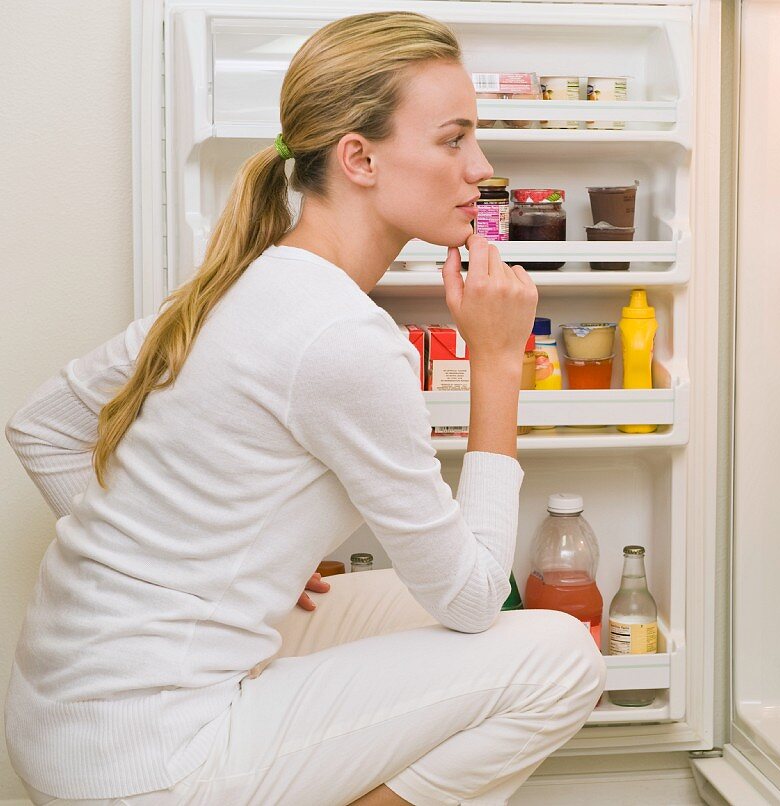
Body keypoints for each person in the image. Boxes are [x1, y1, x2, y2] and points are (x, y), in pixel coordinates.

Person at [4, 12, 605, 805]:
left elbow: (42, 425)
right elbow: (469, 601)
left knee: (399, 601)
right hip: (147, 762)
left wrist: (186, 571)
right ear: (358, 158)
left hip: (63, 720)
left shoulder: (241, 282)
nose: (481, 170)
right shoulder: (343, 339)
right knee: (561, 653)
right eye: (453, 140)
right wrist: (498, 364)